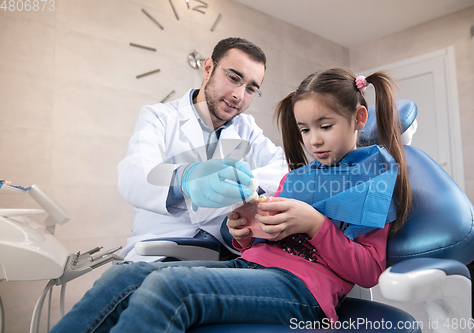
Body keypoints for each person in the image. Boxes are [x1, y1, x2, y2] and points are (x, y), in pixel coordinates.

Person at [49, 68, 412, 333]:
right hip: (253, 266)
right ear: (208, 70)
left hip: (303, 289)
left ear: (359, 118)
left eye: (325, 126)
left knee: (169, 288)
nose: (314, 140)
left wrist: (316, 225)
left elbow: (367, 271)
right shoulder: (298, 177)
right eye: (304, 130)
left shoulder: (373, 180)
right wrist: (243, 231)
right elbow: (264, 238)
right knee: (123, 276)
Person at [116, 37, 287, 261]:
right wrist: (185, 179)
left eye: (251, 89)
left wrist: (245, 183)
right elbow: (134, 176)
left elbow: (284, 168)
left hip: (222, 251)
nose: (240, 96)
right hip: (160, 249)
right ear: (208, 68)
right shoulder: (159, 117)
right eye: (234, 78)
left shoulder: (247, 129)